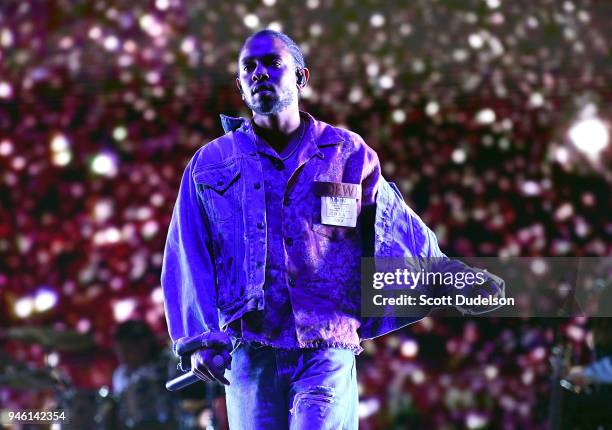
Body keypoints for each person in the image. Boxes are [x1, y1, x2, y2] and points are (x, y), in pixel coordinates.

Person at [161, 29, 505, 429]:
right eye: (248, 67)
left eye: (272, 63)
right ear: (239, 86)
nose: (259, 73)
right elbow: (188, 251)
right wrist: (200, 338)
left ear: (301, 78)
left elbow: (394, 229)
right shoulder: (210, 164)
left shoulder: (348, 153)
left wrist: (454, 280)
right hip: (250, 351)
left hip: (326, 344)